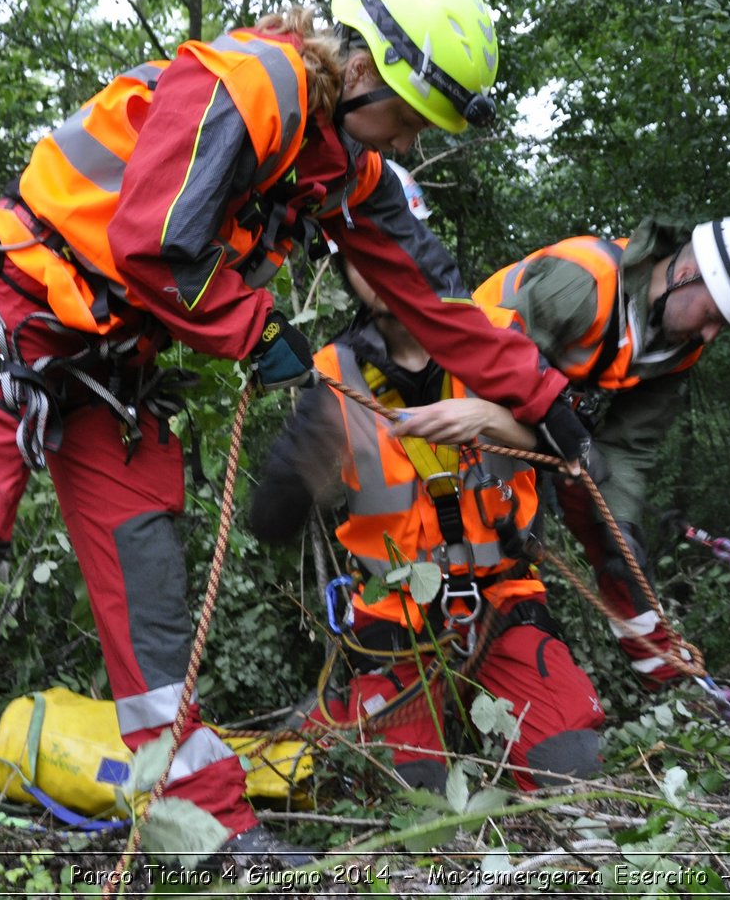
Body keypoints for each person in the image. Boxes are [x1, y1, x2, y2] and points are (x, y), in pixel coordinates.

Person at [0, 0, 593, 897]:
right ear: (363, 70)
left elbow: (440, 309)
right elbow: (152, 244)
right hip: (7, 312)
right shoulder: (249, 83)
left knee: (150, 581)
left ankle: (206, 824)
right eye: (408, 117)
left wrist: (546, 402)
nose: (406, 142)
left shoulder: (342, 167)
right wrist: (259, 333)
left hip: (111, 364)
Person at [249, 246, 605, 792]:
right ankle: (343, 717)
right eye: (364, 261)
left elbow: (581, 456)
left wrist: (490, 418)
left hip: (502, 605)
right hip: (399, 622)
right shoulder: (335, 374)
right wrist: (301, 462)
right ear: (348, 273)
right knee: (415, 789)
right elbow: (270, 521)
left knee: (569, 760)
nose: (383, 270)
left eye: (390, 247)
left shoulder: (498, 337)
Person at [397, 217, 730, 689]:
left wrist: (617, 529)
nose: (708, 337)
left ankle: (659, 668)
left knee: (616, 534)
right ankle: (424, 649)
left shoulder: (677, 351)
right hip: (460, 390)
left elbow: (627, 446)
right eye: (711, 317)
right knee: (483, 536)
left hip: (539, 422)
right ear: (688, 274)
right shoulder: (585, 282)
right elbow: (490, 356)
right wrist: (552, 427)